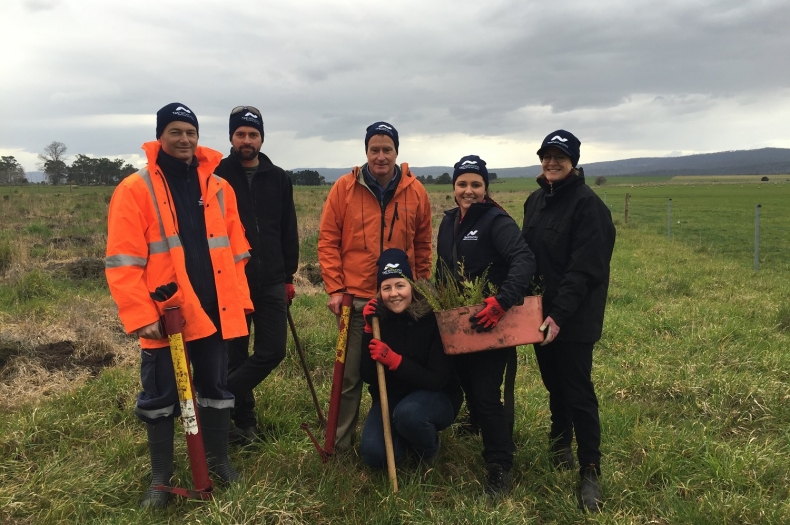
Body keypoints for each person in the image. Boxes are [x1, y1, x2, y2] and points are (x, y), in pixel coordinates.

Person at [105, 103, 253, 508]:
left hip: (215, 311)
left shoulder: (220, 188)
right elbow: (122, 262)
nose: (184, 139)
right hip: (164, 317)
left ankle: (219, 463)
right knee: (160, 396)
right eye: (175, 131)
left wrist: (238, 304)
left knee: (216, 389)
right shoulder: (134, 190)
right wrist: (139, 315)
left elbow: (237, 253)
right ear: (160, 136)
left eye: (190, 131)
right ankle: (160, 480)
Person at [318, 122, 433, 451]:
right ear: (366, 151)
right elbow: (327, 241)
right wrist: (336, 289)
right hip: (354, 301)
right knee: (349, 376)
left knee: (402, 366)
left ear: (397, 152)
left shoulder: (416, 192)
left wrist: (420, 287)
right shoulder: (344, 188)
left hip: (400, 299)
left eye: (387, 149)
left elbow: (424, 245)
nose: (381, 156)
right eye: (374, 149)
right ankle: (337, 446)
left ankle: (404, 432)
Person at [521, 130, 616, 513]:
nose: (552, 162)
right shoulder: (535, 201)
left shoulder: (588, 206)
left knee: (577, 390)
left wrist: (558, 316)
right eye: (546, 155)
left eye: (560, 156)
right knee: (552, 381)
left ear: (573, 161)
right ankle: (560, 440)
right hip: (538, 314)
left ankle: (590, 469)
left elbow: (586, 269)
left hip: (573, 318)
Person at [435, 155, 535, 496]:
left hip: (492, 323)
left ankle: (499, 464)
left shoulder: (496, 221)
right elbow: (442, 269)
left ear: (486, 188)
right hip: (458, 322)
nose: (469, 190)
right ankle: (476, 420)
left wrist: (502, 301)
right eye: (462, 184)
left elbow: (524, 259)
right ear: (453, 187)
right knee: (464, 380)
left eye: (476, 184)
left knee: (487, 393)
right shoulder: (448, 222)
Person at [214, 105, 299, 444]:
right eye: (240, 134)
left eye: (253, 134)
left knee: (272, 350)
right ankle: (243, 423)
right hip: (231, 283)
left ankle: (219, 396)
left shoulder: (278, 177)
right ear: (231, 137)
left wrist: (289, 276)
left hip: (272, 280)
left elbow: (288, 229)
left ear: (261, 137)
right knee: (235, 354)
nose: (247, 140)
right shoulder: (216, 177)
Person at [358, 249, 462, 468]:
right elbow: (368, 376)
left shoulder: (432, 317)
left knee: (409, 415)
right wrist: (368, 329)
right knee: (375, 455)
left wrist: (395, 361)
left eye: (400, 285)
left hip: (436, 398)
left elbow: (438, 380)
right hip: (393, 397)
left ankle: (428, 449)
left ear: (412, 287)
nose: (393, 293)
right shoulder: (379, 320)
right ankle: (405, 437)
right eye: (386, 288)